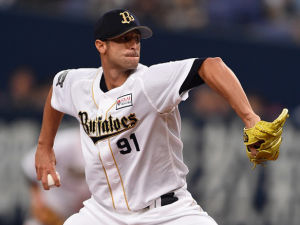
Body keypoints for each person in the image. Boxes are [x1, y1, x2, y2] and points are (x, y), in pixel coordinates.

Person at [35, 9, 260, 225]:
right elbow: (57, 89)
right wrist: (45, 146)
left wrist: (249, 117)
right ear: (101, 45)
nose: (133, 45)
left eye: (136, 38)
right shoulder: (79, 83)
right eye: (124, 39)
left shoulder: (150, 82)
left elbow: (211, 65)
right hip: (103, 213)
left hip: (166, 212)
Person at [23, 127, 90, 225]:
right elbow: (29, 166)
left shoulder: (107, 150)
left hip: (76, 215)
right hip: (48, 212)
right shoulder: (65, 143)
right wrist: (38, 203)